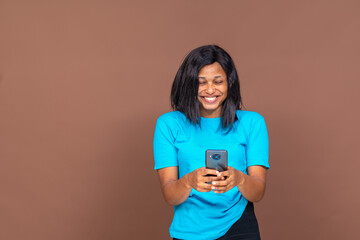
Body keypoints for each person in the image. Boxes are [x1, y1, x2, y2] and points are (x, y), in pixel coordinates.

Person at [153, 45, 269, 240]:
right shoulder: (168, 124)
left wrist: (239, 178)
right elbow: (170, 194)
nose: (210, 90)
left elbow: (257, 193)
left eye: (218, 81)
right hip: (189, 231)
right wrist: (189, 181)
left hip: (239, 225)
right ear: (188, 84)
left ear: (229, 83)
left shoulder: (252, 123)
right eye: (201, 82)